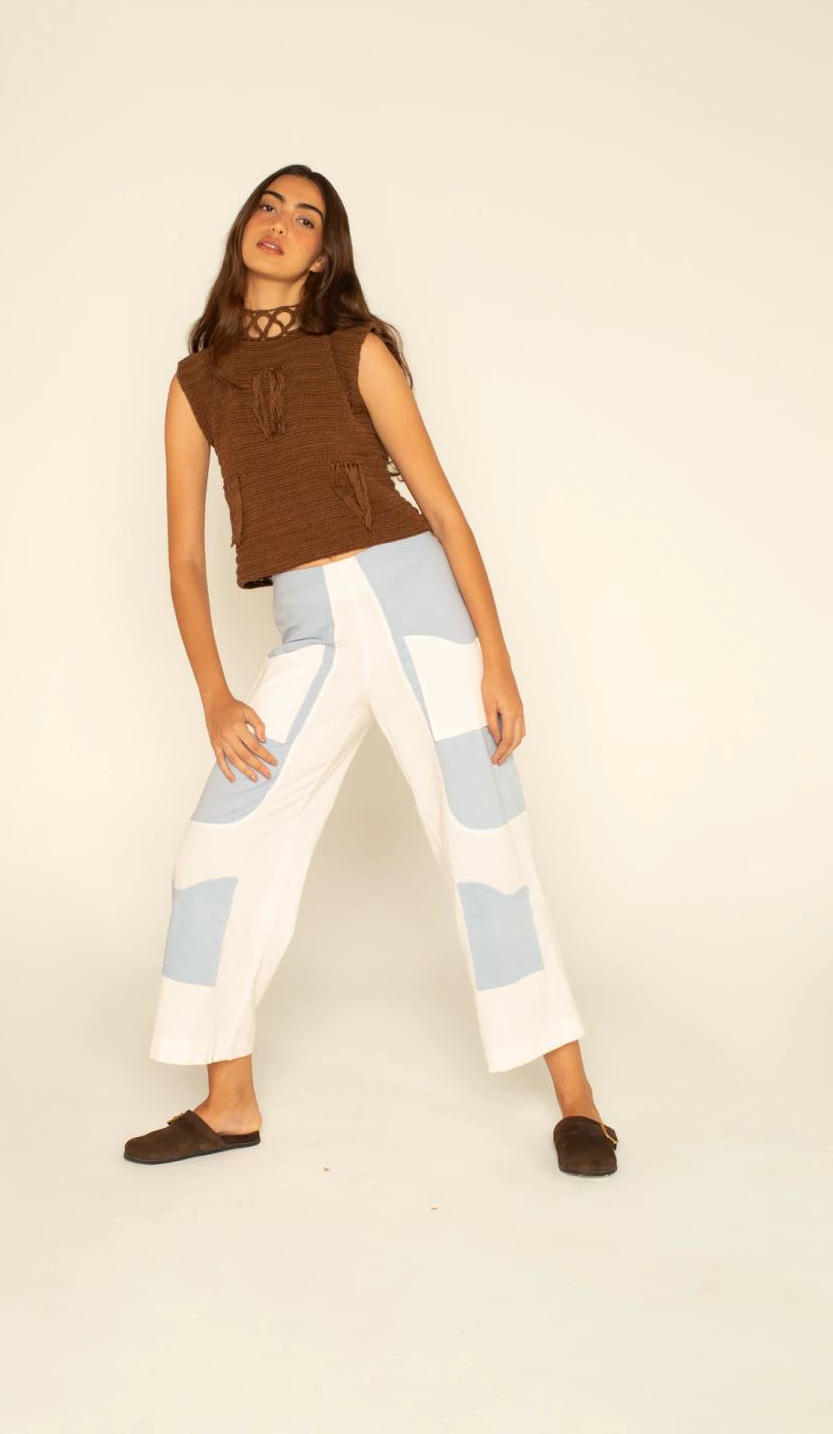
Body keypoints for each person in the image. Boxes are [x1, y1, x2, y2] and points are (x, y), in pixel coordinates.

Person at [124, 164, 618, 1178]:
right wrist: (215, 693)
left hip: (417, 609)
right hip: (309, 632)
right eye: (269, 206)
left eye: (306, 218)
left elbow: (443, 509)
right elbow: (181, 561)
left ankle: (577, 1101)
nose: (281, 224)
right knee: (219, 844)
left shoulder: (358, 350)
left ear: (324, 256)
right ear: (244, 226)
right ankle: (228, 1104)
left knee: (485, 839)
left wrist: (496, 658)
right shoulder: (195, 383)